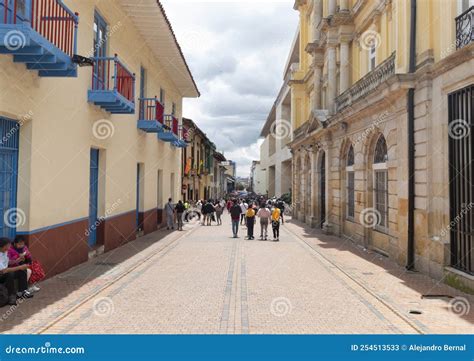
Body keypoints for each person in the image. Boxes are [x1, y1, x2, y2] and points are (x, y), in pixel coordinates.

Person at [0, 238, 32, 305]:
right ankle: (12, 296)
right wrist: (20, 267)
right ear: (2, 246)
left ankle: (22, 292)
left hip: (4, 273)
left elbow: (7, 263)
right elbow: (4, 270)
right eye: (8, 246)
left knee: (23, 270)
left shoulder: (4, 252)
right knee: (10, 274)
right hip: (1, 274)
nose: (9, 248)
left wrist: (17, 260)